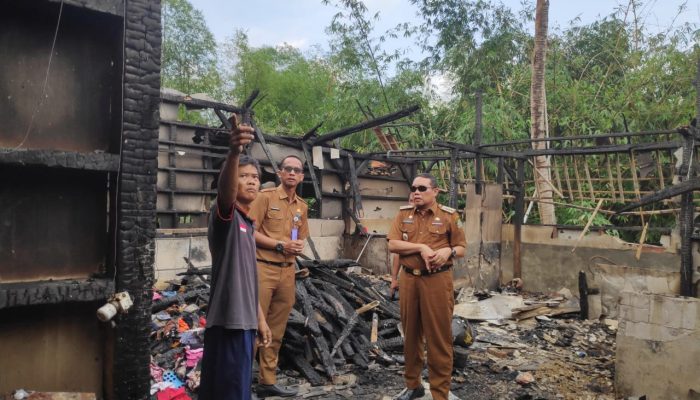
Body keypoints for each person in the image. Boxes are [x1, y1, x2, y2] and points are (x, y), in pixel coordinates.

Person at [199, 120, 272, 400]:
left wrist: (260, 321)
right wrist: (233, 154)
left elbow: (247, 281)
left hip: (245, 324)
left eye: (255, 176)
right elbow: (225, 195)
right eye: (244, 175)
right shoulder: (225, 217)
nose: (252, 180)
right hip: (229, 323)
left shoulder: (248, 224)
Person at [387, 173, 466, 400]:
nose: (416, 193)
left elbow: (461, 247)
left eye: (422, 188)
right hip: (409, 280)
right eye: (414, 188)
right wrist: (421, 247)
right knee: (410, 335)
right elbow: (393, 244)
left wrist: (447, 251)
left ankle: (439, 393)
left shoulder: (450, 216)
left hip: (437, 281)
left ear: (435, 191)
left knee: (438, 337)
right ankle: (413, 385)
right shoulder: (403, 214)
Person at [248, 155, 309, 398]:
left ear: (302, 176)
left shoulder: (301, 206)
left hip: (287, 272)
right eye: (288, 169)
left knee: (276, 329)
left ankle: (267, 381)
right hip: (263, 267)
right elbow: (248, 231)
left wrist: (297, 246)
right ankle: (241, 383)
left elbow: (301, 236)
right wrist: (280, 245)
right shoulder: (265, 198)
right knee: (253, 328)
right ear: (280, 173)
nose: (292, 173)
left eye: (297, 170)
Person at [389, 192, 415, 299]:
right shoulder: (404, 220)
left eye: (415, 201)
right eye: (411, 200)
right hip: (408, 276)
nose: (412, 204)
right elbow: (397, 253)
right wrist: (394, 279)